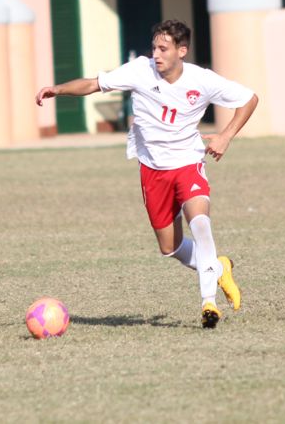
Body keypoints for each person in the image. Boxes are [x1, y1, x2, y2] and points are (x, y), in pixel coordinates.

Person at [35, 20, 258, 328]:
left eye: (163, 48)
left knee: (201, 222)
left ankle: (209, 303)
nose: (156, 54)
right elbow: (93, 83)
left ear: (182, 51)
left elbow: (249, 99)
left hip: (187, 163)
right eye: (154, 47)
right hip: (152, 169)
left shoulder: (202, 80)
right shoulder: (139, 70)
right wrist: (57, 89)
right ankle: (219, 268)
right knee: (171, 248)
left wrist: (226, 135)